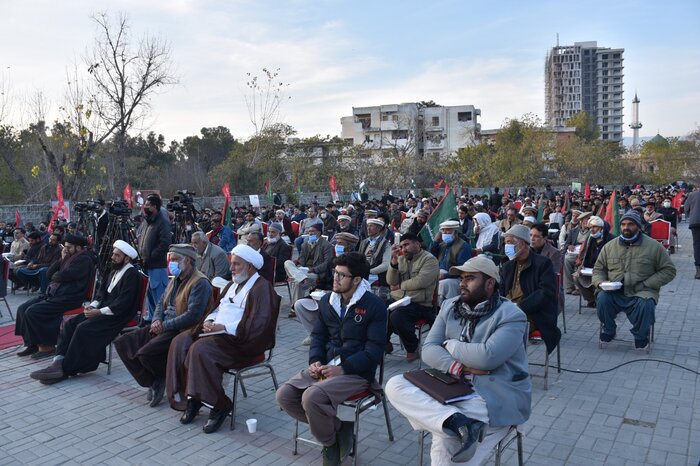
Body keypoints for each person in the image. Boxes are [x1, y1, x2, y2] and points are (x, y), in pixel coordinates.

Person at [385, 255, 531, 464]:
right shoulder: (451, 306)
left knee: (445, 443)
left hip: (492, 394)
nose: (462, 284)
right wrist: (458, 367)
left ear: (490, 283)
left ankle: (456, 425)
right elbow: (428, 349)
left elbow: (487, 358)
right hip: (453, 384)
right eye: (461, 278)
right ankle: (459, 423)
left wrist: (450, 345)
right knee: (395, 384)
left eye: (470, 278)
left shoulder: (511, 315)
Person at [276, 252, 387, 466]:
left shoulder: (374, 305)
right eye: (335, 273)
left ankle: (329, 443)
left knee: (311, 398)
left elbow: (374, 351)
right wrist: (315, 360)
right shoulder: (328, 300)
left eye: (341, 275)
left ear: (356, 280)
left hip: (356, 372)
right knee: (285, 395)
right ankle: (339, 428)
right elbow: (318, 336)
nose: (335, 278)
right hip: (326, 367)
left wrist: (343, 368)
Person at [166, 245, 280, 434]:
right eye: (232, 264)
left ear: (250, 266)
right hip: (218, 336)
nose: (232, 268)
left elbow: (259, 326)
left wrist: (225, 328)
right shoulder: (232, 284)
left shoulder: (262, 288)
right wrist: (210, 321)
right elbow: (218, 308)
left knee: (200, 350)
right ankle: (192, 398)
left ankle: (219, 405)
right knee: (182, 342)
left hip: (242, 343)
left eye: (236, 264)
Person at [28, 240, 141, 384]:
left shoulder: (132, 275)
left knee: (83, 328)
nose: (113, 257)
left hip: (117, 315)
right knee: (70, 324)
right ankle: (57, 362)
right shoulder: (113, 269)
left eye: (117, 255)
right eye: (113, 254)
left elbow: (123, 303)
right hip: (101, 310)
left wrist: (99, 312)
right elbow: (101, 294)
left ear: (127, 258)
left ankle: (67, 369)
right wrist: (92, 306)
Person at [114, 244, 213, 407]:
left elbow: (192, 316)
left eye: (175, 260)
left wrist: (164, 325)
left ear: (187, 261)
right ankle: (154, 379)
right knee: (123, 343)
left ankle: (160, 377)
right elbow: (161, 302)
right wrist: (155, 320)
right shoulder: (176, 279)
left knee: (146, 353)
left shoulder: (200, 282)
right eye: (170, 259)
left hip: (182, 330)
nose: (171, 263)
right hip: (165, 325)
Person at [594, 211, 677, 349]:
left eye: (631, 224)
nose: (626, 227)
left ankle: (640, 335)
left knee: (646, 305)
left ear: (638, 226)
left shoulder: (654, 246)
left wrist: (648, 284)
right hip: (615, 292)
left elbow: (669, 270)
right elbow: (598, 270)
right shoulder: (609, 246)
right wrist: (601, 283)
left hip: (642, 291)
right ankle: (609, 330)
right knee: (602, 298)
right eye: (623, 224)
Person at [15, 234, 95, 359]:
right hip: (55, 294)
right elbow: (49, 273)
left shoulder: (84, 260)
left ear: (78, 248)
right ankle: (32, 343)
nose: (66, 249)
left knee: (33, 312)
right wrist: (60, 260)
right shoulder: (68, 257)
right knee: (22, 308)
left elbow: (61, 276)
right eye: (65, 246)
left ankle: (47, 346)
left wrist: (57, 273)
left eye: (69, 247)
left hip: (69, 298)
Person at [500, 225, 561, 352]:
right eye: (506, 243)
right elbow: (500, 291)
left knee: (505, 328)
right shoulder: (508, 266)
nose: (507, 247)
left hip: (533, 313)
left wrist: (519, 306)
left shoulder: (543, 263)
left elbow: (545, 293)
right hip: (508, 310)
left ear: (522, 244)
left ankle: (511, 364)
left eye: (510, 243)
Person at [385, 233, 440, 362]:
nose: (403, 249)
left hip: (420, 303)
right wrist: (393, 263)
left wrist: (399, 286)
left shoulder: (429, 259)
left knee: (396, 316)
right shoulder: (401, 258)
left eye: (407, 245)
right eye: (402, 246)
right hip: (398, 300)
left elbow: (421, 281)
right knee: (377, 309)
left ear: (417, 244)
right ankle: (384, 342)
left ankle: (412, 347)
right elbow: (390, 281)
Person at [138, 194, 172, 323]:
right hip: (146, 265)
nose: (144, 207)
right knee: (150, 296)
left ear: (155, 207)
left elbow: (165, 244)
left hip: (157, 266)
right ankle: (151, 319)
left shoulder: (162, 222)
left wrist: (151, 257)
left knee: (159, 297)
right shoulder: (148, 221)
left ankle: (161, 321)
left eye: (147, 205)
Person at [285, 223, 335, 306]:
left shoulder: (326, 245)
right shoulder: (305, 245)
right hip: (304, 271)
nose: (310, 233)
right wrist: (299, 266)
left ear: (319, 232)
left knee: (299, 283)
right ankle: (301, 278)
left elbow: (327, 263)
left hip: (316, 272)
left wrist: (313, 269)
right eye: (309, 232)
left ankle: (294, 307)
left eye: (312, 231)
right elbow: (301, 259)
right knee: (287, 262)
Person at [572, 216, 614, 308]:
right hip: (590, 269)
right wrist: (582, 266)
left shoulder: (611, 240)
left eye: (594, 227)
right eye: (590, 228)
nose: (592, 230)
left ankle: (601, 299)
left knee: (599, 279)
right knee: (576, 277)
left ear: (601, 228)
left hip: (605, 270)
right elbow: (585, 255)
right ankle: (591, 299)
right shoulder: (590, 239)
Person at [430, 220, 472, 304]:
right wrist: (435, 241)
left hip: (455, 277)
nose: (444, 233)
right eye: (443, 230)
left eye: (448, 230)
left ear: (455, 232)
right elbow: (431, 256)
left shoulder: (463, 246)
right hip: (440, 273)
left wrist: (445, 275)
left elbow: (463, 269)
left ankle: (444, 308)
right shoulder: (443, 244)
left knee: (443, 284)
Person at [684, 187, 700, 279]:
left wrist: (691, 215)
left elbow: (686, 208)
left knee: (697, 245)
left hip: (695, 222)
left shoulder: (692, 194)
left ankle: (698, 271)